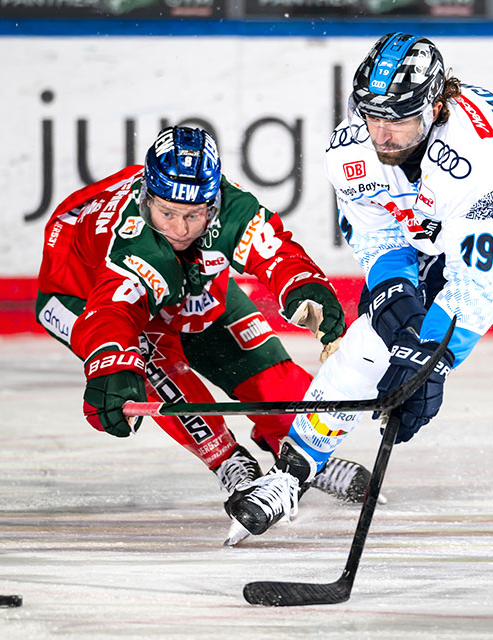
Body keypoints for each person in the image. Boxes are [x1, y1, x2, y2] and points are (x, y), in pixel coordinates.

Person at [223, 33, 493, 537]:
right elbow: (380, 241)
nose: (382, 133)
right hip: (446, 219)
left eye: (398, 117)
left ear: (436, 106)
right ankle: (289, 476)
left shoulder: (471, 159)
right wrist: (394, 308)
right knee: (372, 344)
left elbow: (474, 287)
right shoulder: (348, 153)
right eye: (371, 115)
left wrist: (428, 365)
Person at [34, 125, 372, 521]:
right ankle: (228, 460)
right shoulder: (133, 241)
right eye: (167, 213)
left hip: (185, 282)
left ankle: (296, 451)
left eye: (193, 215)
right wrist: (112, 363)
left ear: (213, 204)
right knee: (146, 361)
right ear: (146, 199)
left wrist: (304, 287)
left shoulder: (229, 206)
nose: (179, 229)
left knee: (271, 375)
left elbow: (274, 250)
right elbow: (113, 312)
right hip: (80, 293)